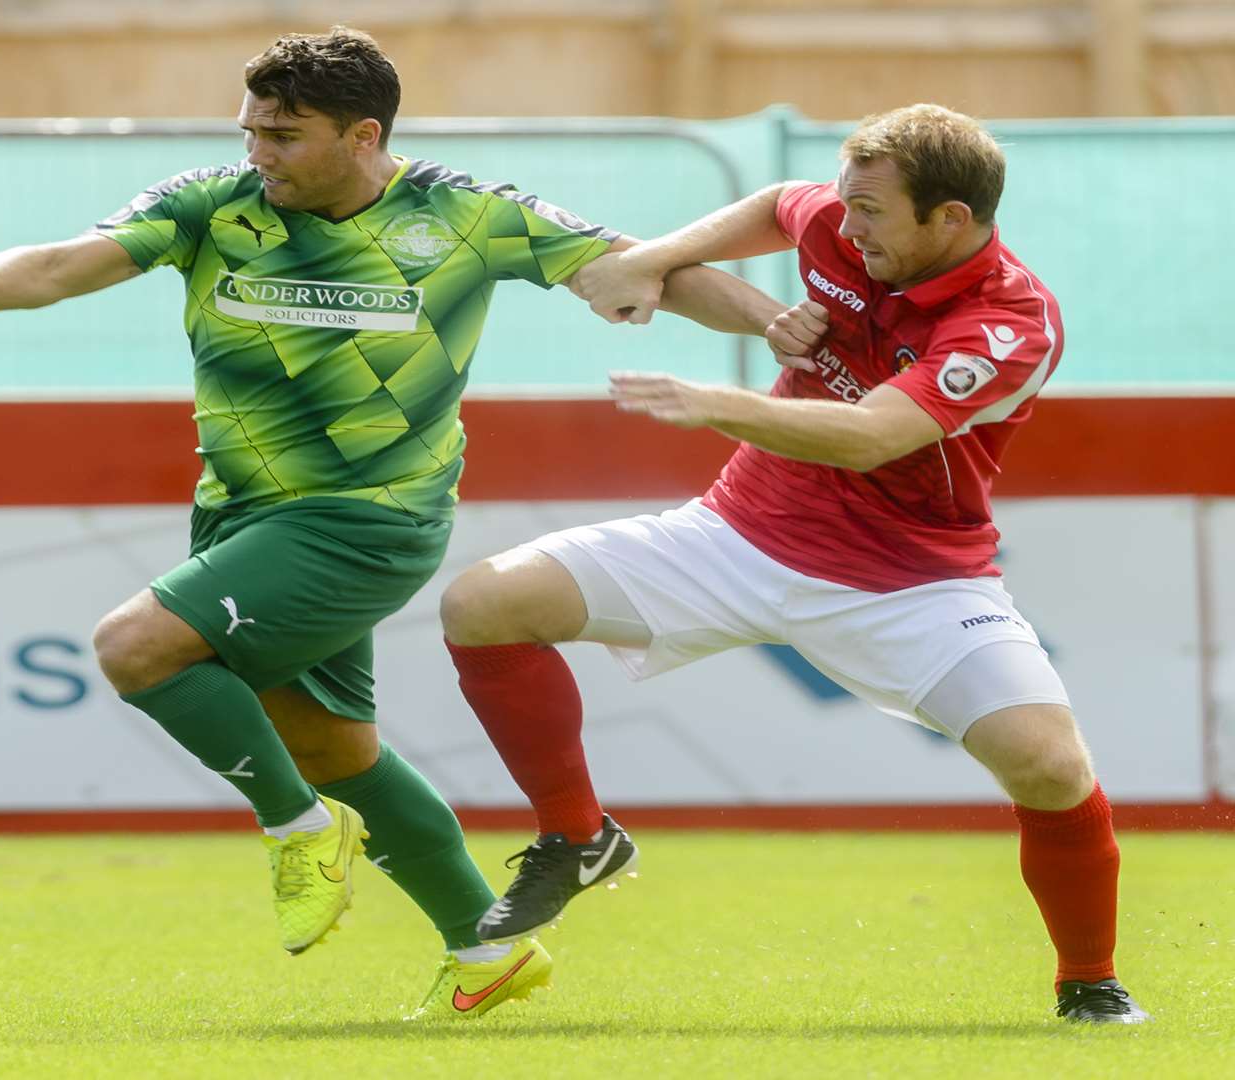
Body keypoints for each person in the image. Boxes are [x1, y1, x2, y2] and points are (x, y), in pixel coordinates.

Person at [0, 26, 781, 1019]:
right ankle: (483, 950)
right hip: (241, 519)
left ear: (363, 135)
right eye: (251, 130)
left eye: (284, 136)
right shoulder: (210, 205)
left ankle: (296, 829)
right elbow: (59, 266)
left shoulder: (468, 215)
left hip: (370, 521)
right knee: (337, 750)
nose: (259, 152)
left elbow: (656, 271)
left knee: (135, 648)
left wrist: (779, 327)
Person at [439, 103, 1149, 1024]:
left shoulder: (1010, 320)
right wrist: (654, 258)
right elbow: (782, 202)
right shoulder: (848, 222)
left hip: (913, 583)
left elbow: (871, 437)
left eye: (871, 213)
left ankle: (1089, 983)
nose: (846, 228)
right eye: (848, 206)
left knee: (1050, 769)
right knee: (482, 605)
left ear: (951, 221)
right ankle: (577, 836)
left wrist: (718, 404)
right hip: (736, 534)